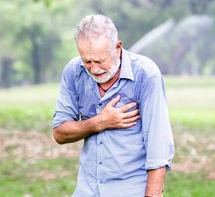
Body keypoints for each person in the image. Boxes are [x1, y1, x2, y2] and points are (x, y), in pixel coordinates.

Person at [52, 14, 175, 197]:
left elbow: (159, 148)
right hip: (87, 191)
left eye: (100, 61)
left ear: (118, 48)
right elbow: (60, 133)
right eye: (87, 61)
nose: (93, 69)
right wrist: (99, 122)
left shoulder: (146, 74)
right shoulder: (73, 72)